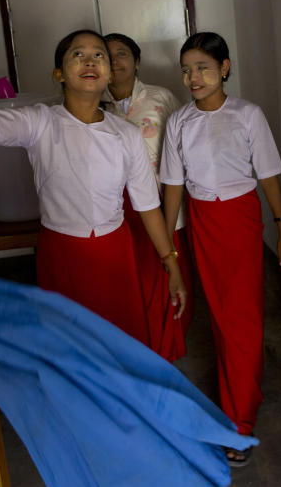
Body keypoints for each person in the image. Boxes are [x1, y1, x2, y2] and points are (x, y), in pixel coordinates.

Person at [0, 30, 186, 345]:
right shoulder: (39, 122)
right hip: (62, 252)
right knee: (70, 346)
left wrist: (171, 263)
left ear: (108, 72)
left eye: (99, 55)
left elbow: (148, 206)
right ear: (59, 73)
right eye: (77, 54)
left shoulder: (126, 134)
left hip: (115, 254)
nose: (90, 60)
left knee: (121, 344)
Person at [160, 31, 281, 467]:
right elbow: (174, 186)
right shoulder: (179, 122)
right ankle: (241, 393)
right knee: (221, 319)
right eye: (186, 69)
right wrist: (168, 248)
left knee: (242, 318)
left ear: (225, 67)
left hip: (239, 219)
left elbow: (269, 174)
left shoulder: (247, 115)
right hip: (201, 223)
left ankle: (239, 420)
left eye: (202, 67)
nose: (192, 77)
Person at [101, 32, 194, 361]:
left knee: (168, 278)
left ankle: (166, 352)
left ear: (137, 61)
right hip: (117, 214)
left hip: (163, 207)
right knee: (132, 286)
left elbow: (186, 146)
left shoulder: (160, 98)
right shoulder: (94, 106)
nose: (115, 62)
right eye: (107, 55)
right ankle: (138, 352)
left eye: (122, 54)